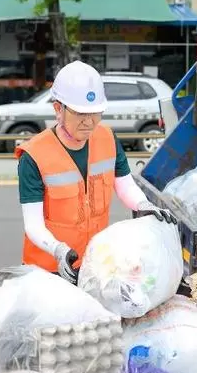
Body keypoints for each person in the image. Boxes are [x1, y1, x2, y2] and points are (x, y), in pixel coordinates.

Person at [15, 60, 177, 284]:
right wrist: (58, 250)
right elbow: (33, 224)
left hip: (93, 265)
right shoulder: (33, 156)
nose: (89, 122)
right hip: (46, 271)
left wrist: (144, 205)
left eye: (96, 112)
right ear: (58, 109)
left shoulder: (107, 139)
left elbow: (125, 185)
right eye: (80, 113)